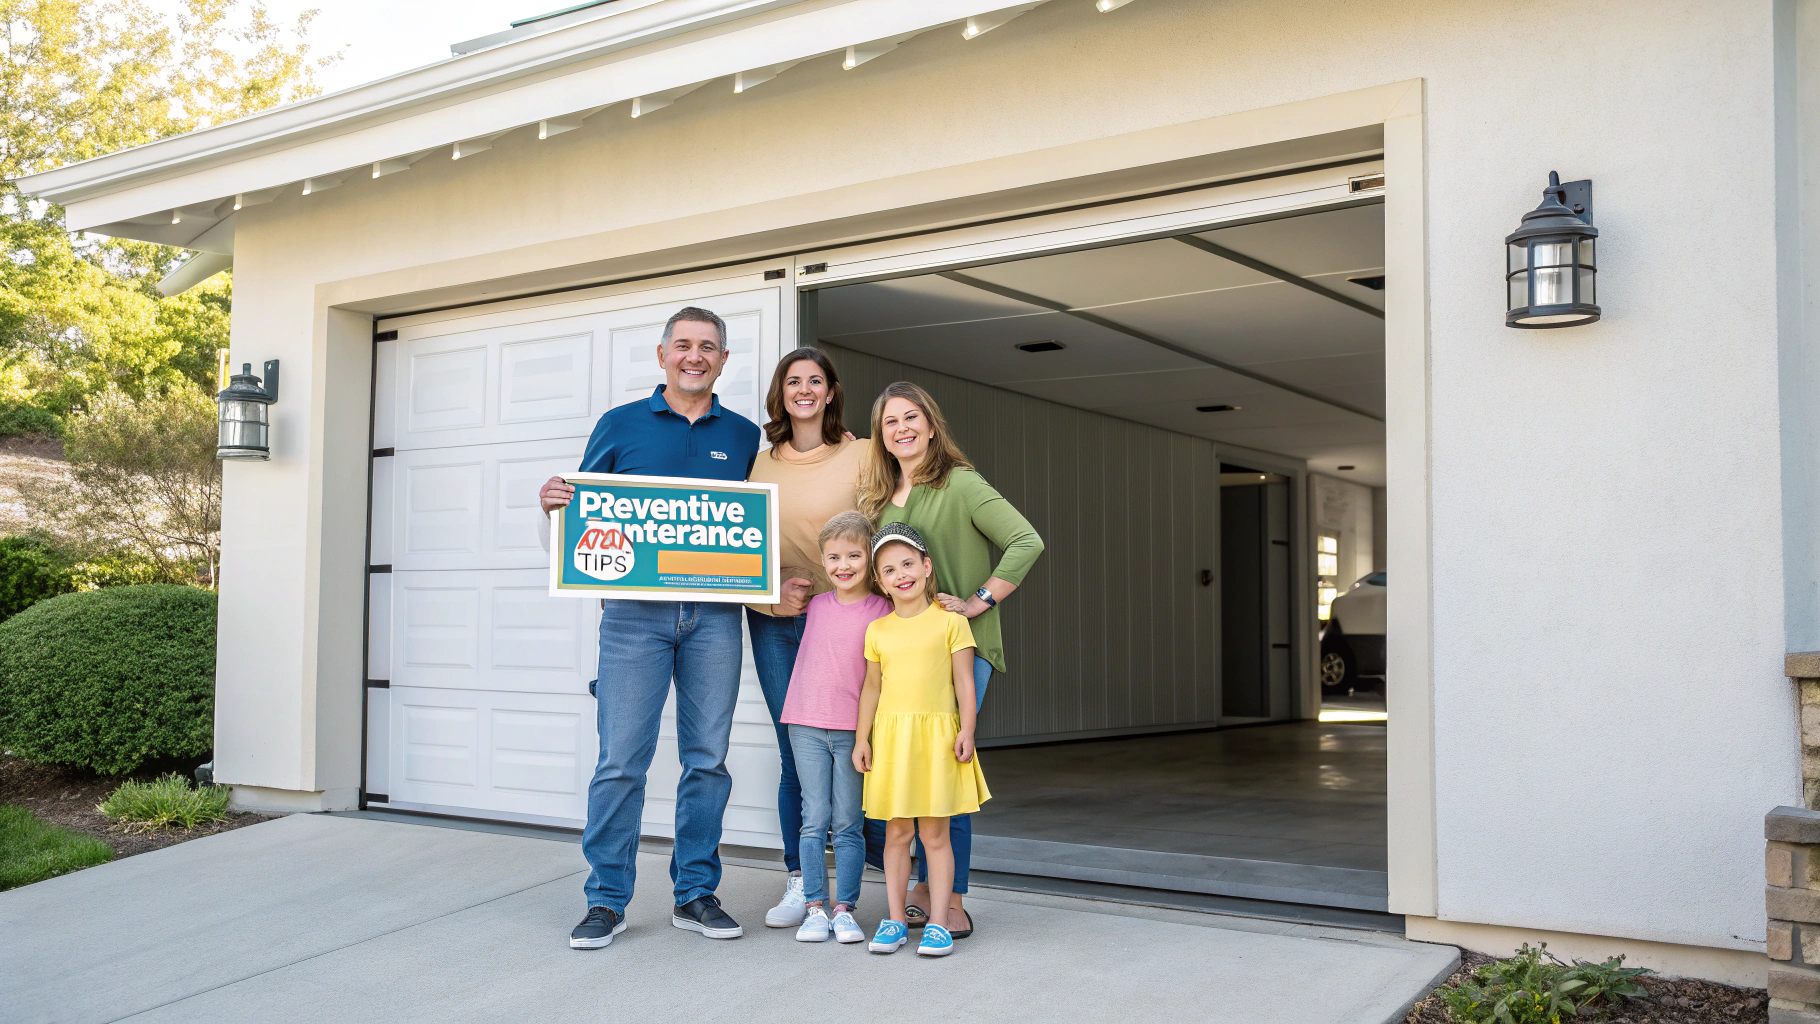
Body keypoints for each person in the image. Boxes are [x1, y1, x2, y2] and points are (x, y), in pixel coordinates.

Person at [539, 306, 761, 951]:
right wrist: (554, 505)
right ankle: (606, 900)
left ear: (723, 360)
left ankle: (695, 893)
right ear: (661, 355)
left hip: (716, 617)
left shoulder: (744, 436)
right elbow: (581, 521)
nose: (696, 356)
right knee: (620, 762)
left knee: (708, 761)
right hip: (633, 619)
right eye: (684, 346)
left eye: (709, 348)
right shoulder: (621, 424)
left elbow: (754, 526)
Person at [856, 381, 1043, 939]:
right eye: (891, 422)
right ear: (881, 435)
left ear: (932, 426)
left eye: (912, 418)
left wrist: (979, 600)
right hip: (897, 650)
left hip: (958, 646)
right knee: (907, 780)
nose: (902, 429)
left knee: (944, 776)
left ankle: (952, 899)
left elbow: (1026, 541)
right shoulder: (875, 497)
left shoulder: (960, 483)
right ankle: (918, 888)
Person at [744, 348, 866, 928]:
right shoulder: (758, 463)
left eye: (815, 381)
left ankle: (861, 887)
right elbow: (732, 548)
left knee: (859, 746)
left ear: (832, 391)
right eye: (794, 381)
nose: (805, 390)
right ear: (781, 392)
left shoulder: (862, 454)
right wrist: (769, 598)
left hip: (843, 625)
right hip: (778, 625)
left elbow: (890, 527)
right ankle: (801, 882)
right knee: (796, 751)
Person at [853, 522, 989, 958]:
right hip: (892, 741)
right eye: (889, 569)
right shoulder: (878, 631)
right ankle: (893, 919)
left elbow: (964, 682)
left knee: (934, 835)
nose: (901, 574)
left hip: (935, 739)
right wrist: (862, 738)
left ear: (927, 567)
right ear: (880, 581)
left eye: (908, 563)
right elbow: (871, 688)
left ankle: (938, 923)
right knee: (895, 833)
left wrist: (966, 729)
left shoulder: (950, 623)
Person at [779, 511, 889, 944]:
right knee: (814, 819)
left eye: (854, 555)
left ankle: (845, 909)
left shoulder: (882, 610)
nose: (843, 565)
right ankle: (814, 908)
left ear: (870, 558)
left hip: (850, 731)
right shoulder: (815, 603)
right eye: (833, 557)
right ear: (823, 560)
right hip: (804, 724)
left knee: (846, 822)